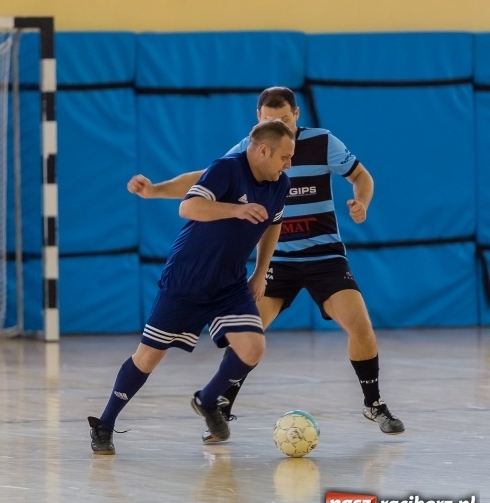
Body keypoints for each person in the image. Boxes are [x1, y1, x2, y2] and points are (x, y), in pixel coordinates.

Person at [127, 86, 405, 439]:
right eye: (270, 121)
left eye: (285, 120)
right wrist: (156, 190)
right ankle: (220, 404)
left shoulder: (322, 142)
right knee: (249, 335)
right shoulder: (250, 149)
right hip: (277, 259)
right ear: (259, 122)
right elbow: (202, 178)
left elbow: (361, 176)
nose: (279, 127)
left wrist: (361, 201)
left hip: (324, 257)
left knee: (360, 326)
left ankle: (374, 403)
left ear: (297, 115)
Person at [88, 119, 294, 455]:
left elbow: (273, 224)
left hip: (230, 283)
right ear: (263, 150)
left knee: (253, 347)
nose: (289, 164)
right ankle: (105, 423)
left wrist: (260, 272)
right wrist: (237, 210)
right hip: (187, 279)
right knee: (148, 357)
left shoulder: (279, 183)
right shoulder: (227, 169)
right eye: (285, 156)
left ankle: (208, 400)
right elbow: (188, 206)